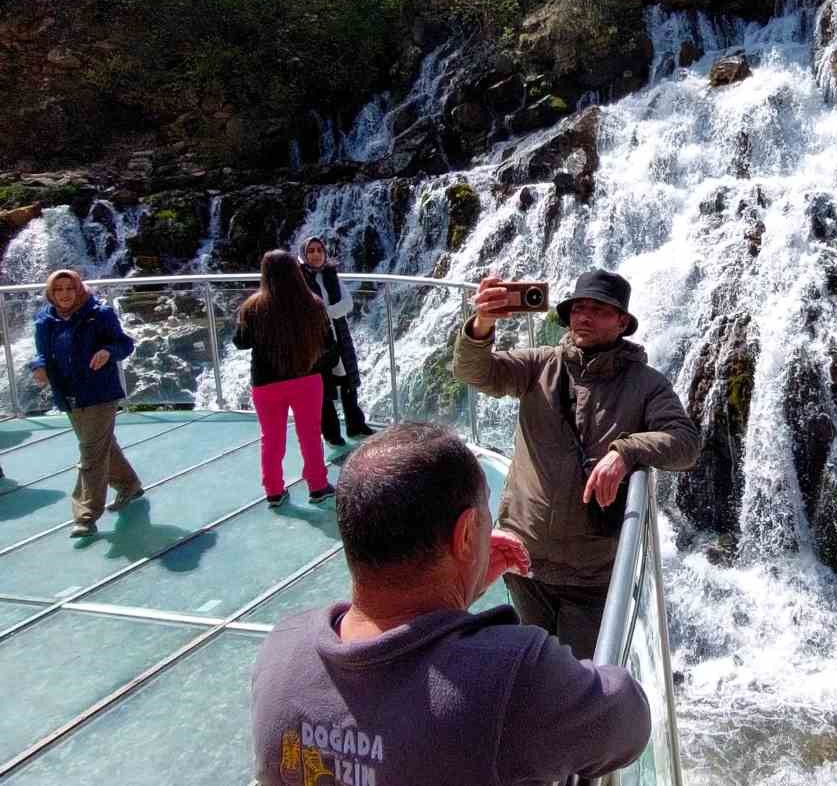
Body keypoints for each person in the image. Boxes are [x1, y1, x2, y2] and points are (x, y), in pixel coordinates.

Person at [250, 421, 651, 786]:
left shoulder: (282, 649)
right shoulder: (514, 675)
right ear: (464, 536)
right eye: (484, 520)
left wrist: (457, 592)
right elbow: (629, 722)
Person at [453, 268, 700, 658]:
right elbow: (474, 372)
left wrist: (626, 451)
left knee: (578, 675)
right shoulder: (540, 365)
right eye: (578, 308)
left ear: (622, 322)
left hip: (590, 572)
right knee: (534, 662)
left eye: (599, 310)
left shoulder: (647, 384)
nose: (584, 316)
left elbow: (686, 443)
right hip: (525, 557)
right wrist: (482, 324)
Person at [28, 269, 143, 539]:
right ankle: (129, 484)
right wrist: (38, 367)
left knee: (90, 452)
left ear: (79, 288)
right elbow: (41, 353)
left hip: (99, 393)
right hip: (68, 394)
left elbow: (124, 344)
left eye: (70, 288)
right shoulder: (45, 321)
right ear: (51, 293)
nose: (65, 294)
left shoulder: (98, 314)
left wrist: (107, 352)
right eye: (59, 290)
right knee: (102, 446)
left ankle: (85, 515)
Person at [235, 250, 338, 507]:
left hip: (266, 385)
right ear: (295, 271)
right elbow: (329, 344)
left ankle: (274, 491)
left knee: (271, 438)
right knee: (311, 435)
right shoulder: (313, 303)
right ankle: (318, 486)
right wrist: (317, 365)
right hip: (306, 380)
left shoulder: (253, 306)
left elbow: (241, 342)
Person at [299, 236, 374, 446]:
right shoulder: (300, 278)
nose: (315, 254)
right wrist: (330, 313)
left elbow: (348, 304)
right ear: (304, 254)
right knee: (323, 389)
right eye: (311, 251)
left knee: (349, 381)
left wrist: (324, 314)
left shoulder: (330, 273)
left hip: (339, 336)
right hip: (316, 342)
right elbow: (305, 312)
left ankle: (356, 425)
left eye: (319, 250)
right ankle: (332, 435)